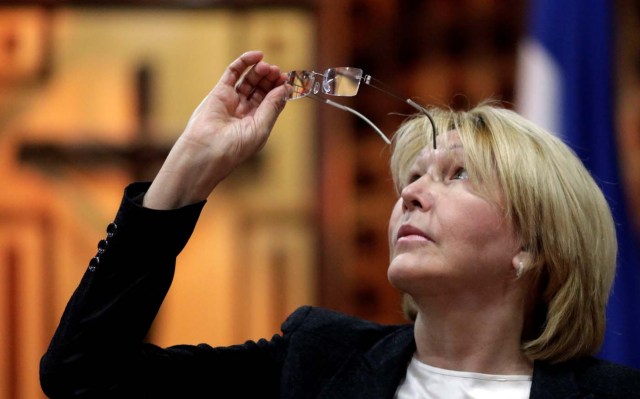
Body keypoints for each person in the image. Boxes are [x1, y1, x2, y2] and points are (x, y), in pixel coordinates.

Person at [40, 51, 640, 398]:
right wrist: (189, 169)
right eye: (412, 176)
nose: (411, 194)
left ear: (532, 248)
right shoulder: (315, 364)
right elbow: (83, 375)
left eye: (456, 175)